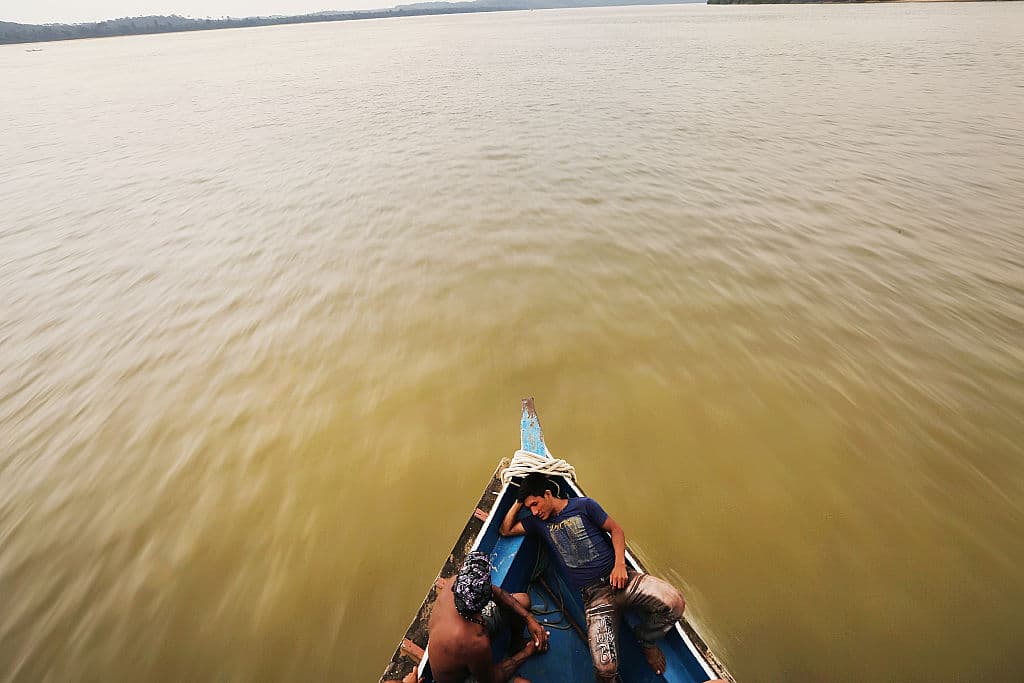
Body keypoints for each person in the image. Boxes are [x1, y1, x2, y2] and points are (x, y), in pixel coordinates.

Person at [499, 473, 686, 682]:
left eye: (535, 504)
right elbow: (505, 530)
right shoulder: (537, 522)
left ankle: (646, 639)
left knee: (675, 603)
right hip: (596, 598)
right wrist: (519, 500)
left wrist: (619, 564)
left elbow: (616, 530)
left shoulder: (584, 505)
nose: (534, 511)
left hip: (622, 580)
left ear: (548, 494)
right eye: (529, 508)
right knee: (605, 669)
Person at [426, 551, 550, 683]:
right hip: (462, 678)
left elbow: (495, 591)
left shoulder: (458, 583)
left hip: (469, 636)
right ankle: (520, 650)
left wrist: (528, 618)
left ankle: (516, 644)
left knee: (523, 601)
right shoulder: (476, 642)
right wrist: (528, 651)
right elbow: (491, 679)